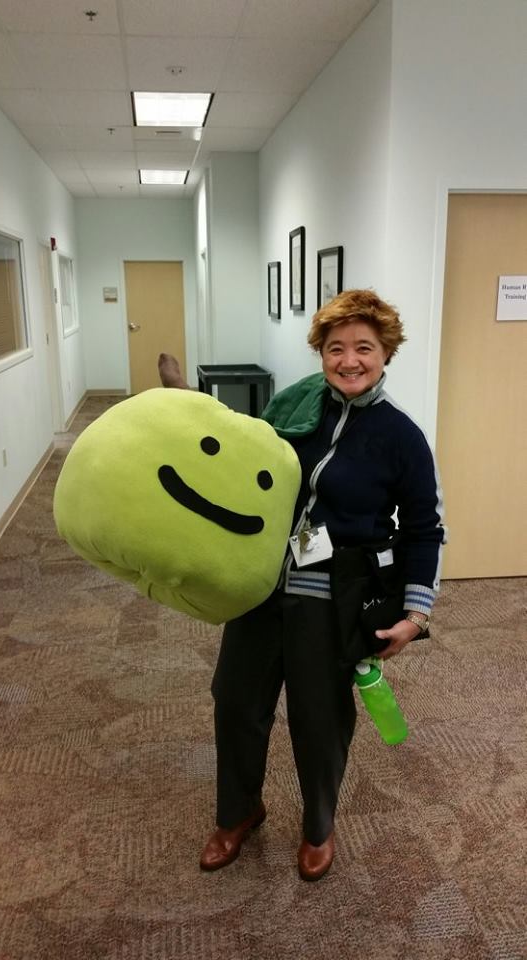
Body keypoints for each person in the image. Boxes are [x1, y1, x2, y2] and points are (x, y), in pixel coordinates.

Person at [160, 288, 445, 881]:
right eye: (335, 348)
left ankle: (319, 825)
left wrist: (415, 612)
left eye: (363, 348)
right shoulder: (293, 408)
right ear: (320, 353)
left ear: (385, 353)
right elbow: (239, 465)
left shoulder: (402, 437)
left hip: (332, 598)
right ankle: (239, 812)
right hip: (262, 585)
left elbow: (425, 527)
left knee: (319, 721)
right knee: (235, 701)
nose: (349, 361)